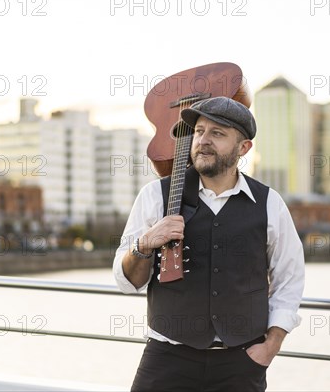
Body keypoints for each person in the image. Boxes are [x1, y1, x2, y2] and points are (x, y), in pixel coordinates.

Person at [113, 96, 305, 392]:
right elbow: (126, 282)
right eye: (199, 131)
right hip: (167, 358)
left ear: (243, 148)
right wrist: (144, 244)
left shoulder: (269, 203)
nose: (203, 140)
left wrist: (271, 347)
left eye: (217, 133)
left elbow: (289, 279)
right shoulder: (155, 196)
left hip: (240, 364)